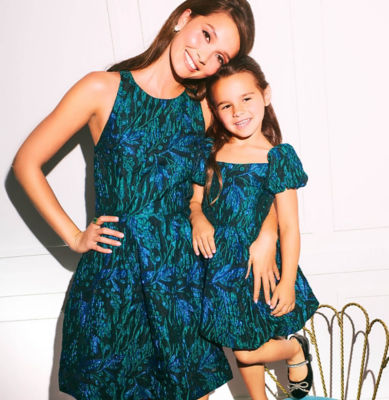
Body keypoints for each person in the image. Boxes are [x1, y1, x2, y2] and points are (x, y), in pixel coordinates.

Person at [12, 1, 280, 399]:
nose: (204, 56)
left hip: (180, 286)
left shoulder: (205, 109)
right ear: (184, 17)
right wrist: (73, 236)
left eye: (220, 56)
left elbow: (262, 169)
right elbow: (27, 163)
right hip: (112, 285)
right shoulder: (102, 89)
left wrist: (269, 234)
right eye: (206, 35)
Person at [189, 55, 320, 399]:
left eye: (246, 99)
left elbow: (289, 226)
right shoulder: (210, 151)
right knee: (237, 345)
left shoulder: (278, 157)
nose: (238, 112)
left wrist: (289, 281)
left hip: (256, 270)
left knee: (247, 350)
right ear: (215, 111)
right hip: (216, 268)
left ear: (266, 95)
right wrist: (198, 217)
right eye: (226, 105)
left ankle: (294, 351)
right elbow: (194, 201)